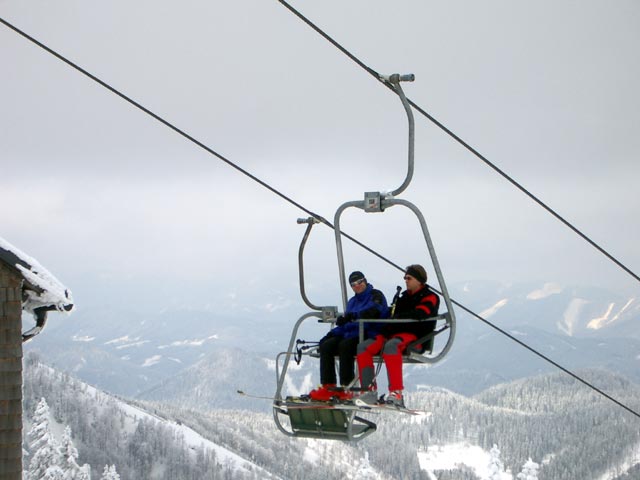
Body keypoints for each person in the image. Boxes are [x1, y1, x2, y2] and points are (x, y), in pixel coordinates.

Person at [356, 264, 439, 407]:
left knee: (391, 346)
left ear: (419, 280)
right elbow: (394, 314)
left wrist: (398, 318)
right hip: (393, 333)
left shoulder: (430, 297)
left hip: (415, 336)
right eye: (405, 278)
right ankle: (368, 391)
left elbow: (421, 313)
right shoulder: (403, 298)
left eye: (409, 278)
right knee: (363, 347)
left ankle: (396, 392)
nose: (406, 281)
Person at [309, 271, 389, 401]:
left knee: (345, 346)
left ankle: (347, 388)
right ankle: (328, 387)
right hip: (351, 333)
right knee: (326, 346)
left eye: (359, 282)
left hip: (369, 333)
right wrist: (331, 334)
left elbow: (374, 312)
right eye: (353, 284)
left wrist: (354, 317)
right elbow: (346, 324)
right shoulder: (352, 301)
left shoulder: (376, 295)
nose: (357, 286)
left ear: (365, 281)